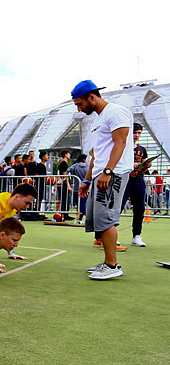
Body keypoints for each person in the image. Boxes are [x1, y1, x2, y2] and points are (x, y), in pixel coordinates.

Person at [73, 79, 134, 280]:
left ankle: (112, 265)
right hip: (100, 173)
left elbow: (121, 142)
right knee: (97, 219)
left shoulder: (116, 112)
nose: (79, 109)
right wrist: (88, 179)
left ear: (92, 97)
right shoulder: (97, 119)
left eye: (80, 104)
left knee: (106, 218)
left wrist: (109, 171)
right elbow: (96, 153)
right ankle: (107, 262)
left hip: (113, 173)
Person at [121, 123, 150, 247]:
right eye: (135, 132)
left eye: (139, 133)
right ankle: (111, 235)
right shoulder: (123, 147)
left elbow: (144, 163)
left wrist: (146, 165)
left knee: (139, 208)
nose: (137, 135)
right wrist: (130, 164)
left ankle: (136, 235)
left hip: (138, 180)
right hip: (124, 180)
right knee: (118, 206)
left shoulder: (142, 149)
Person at [67, 154, 89, 221]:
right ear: (84, 159)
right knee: (84, 203)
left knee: (78, 203)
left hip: (77, 187)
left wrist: (70, 177)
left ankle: (80, 217)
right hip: (86, 187)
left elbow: (68, 170)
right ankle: (82, 217)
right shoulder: (88, 167)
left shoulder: (75, 166)